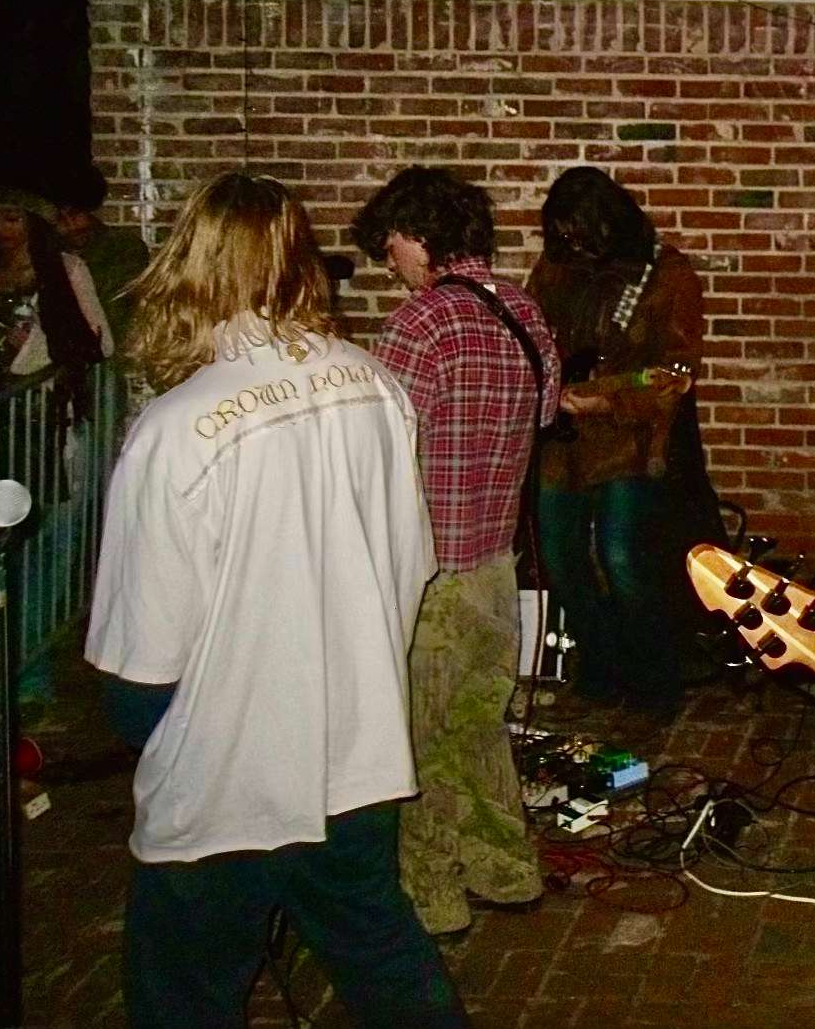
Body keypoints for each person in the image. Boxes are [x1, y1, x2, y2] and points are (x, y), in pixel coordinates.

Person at [83, 172, 464, 1027]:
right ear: (301, 261)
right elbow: (410, 568)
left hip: (227, 777)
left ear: (191, 266)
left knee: (185, 993)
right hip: (355, 753)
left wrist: (157, 729)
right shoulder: (373, 384)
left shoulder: (178, 428)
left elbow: (143, 660)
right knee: (387, 966)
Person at [352, 167, 560, 938]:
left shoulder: (421, 324)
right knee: (480, 725)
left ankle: (432, 897)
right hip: (494, 565)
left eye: (392, 244)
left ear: (421, 236)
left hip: (428, 572)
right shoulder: (525, 312)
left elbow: (381, 446)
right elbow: (541, 417)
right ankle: (506, 869)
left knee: (421, 740)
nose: (388, 261)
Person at [527, 167, 721, 715]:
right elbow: (532, 331)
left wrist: (608, 399)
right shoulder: (555, 268)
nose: (575, 244)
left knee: (621, 558)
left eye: (584, 232)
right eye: (564, 234)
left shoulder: (666, 273)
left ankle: (655, 674)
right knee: (561, 560)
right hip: (562, 440)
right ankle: (601, 664)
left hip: (629, 439)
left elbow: (675, 372)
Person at [0, 186, 110, 391]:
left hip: (44, 393)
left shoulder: (66, 268)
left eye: (12, 219)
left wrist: (36, 345)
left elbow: (100, 340)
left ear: (32, 221)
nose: (0, 228)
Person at [48, 162, 152, 343]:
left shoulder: (123, 248)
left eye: (75, 214)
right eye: (59, 219)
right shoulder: (43, 253)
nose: (71, 226)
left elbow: (113, 312)